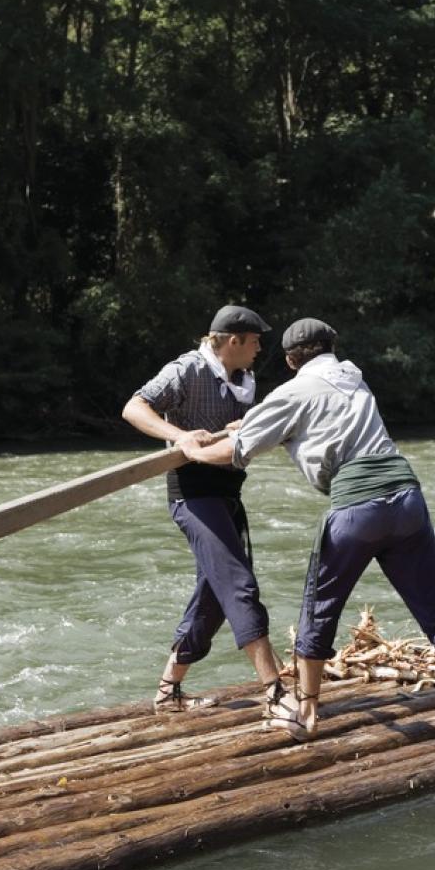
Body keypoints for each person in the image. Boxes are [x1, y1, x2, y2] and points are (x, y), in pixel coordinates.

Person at [180, 318, 435, 748]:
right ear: (331, 348)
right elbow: (301, 422)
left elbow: (236, 452)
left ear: (290, 360)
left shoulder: (292, 393)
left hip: (357, 504)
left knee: (319, 611)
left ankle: (309, 714)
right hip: (406, 496)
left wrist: (193, 450)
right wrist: (258, 424)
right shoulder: (353, 374)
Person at [122, 304, 285, 715]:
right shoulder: (188, 370)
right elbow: (134, 407)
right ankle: (277, 691)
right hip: (193, 495)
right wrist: (180, 438)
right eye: (254, 341)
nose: (259, 348)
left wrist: (245, 427)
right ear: (233, 341)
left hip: (228, 492)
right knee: (238, 584)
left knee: (213, 597)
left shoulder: (245, 377)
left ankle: (168, 691)